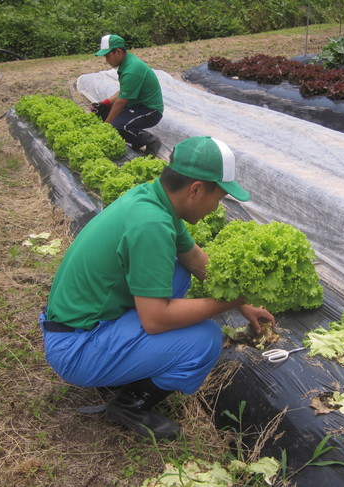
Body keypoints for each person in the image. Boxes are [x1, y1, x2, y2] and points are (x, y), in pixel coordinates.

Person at [39, 135, 275, 439]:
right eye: (220, 198)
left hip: (79, 326)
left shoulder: (154, 199)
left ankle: (123, 364)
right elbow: (155, 320)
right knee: (204, 339)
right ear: (196, 189)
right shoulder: (151, 225)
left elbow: (194, 258)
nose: (219, 206)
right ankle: (131, 404)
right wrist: (227, 303)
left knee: (179, 272)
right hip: (75, 349)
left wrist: (243, 303)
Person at [90, 34, 164, 155]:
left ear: (118, 52)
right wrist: (105, 103)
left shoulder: (132, 69)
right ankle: (136, 139)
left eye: (108, 56)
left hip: (150, 110)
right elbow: (124, 91)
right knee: (102, 111)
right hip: (136, 105)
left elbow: (121, 102)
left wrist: (105, 127)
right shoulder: (126, 63)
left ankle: (151, 140)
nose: (106, 60)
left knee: (116, 127)